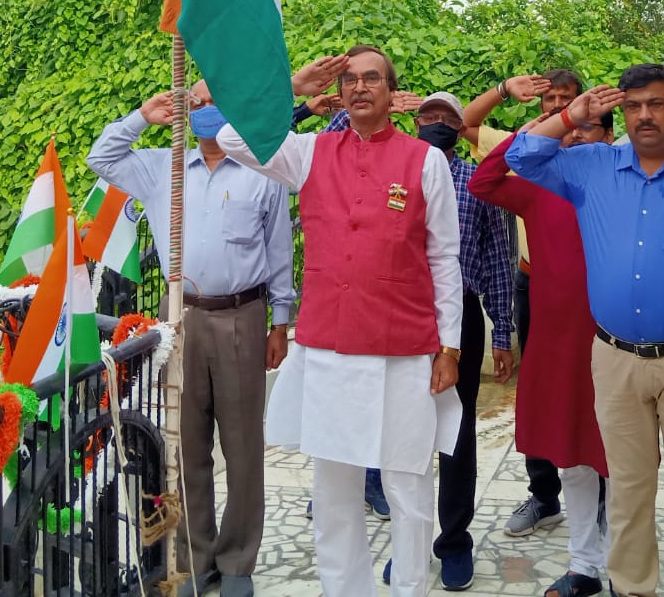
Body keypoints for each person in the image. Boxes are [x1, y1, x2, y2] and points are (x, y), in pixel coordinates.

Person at [214, 45, 463, 597]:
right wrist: (293, 93)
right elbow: (231, 138)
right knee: (334, 492)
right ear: (341, 92)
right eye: (349, 79)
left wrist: (450, 347)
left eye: (372, 78)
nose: (359, 87)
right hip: (329, 349)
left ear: (392, 93)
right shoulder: (308, 152)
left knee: (408, 486)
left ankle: (410, 590)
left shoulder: (426, 161)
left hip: (403, 348)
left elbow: (445, 257)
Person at [507, 63, 664, 597]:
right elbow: (521, 156)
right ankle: (632, 587)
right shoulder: (590, 166)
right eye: (633, 106)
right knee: (627, 487)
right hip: (615, 357)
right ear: (620, 112)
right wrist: (571, 115)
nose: (645, 116)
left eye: (656, 104)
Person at [86, 92, 294, 597]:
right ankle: (196, 558)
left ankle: (238, 561)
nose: (205, 109)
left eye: (215, 99)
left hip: (242, 314)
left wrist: (281, 321)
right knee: (185, 443)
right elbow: (101, 157)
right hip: (179, 319)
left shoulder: (261, 169)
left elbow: (278, 248)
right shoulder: (164, 167)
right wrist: (143, 117)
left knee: (242, 445)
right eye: (196, 100)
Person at [471, 112, 613, 597]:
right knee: (572, 457)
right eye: (566, 129)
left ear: (609, 136)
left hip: (616, 340)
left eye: (586, 128)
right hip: (558, 343)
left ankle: (624, 564)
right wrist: (532, 131)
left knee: (620, 456)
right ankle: (584, 565)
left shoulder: (622, 184)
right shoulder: (539, 187)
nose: (573, 135)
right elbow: (484, 181)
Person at [461, 69, 576, 537]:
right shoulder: (522, 147)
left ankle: (602, 497)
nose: (557, 107)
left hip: (591, 292)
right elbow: (464, 123)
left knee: (595, 389)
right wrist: (503, 90)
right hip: (534, 284)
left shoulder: (596, 154)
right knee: (537, 390)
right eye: (550, 99)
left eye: (567, 99)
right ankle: (544, 496)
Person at [411, 90, 516, 591]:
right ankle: (411, 544)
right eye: (427, 115)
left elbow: (497, 257)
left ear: (459, 127)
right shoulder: (398, 173)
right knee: (404, 431)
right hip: (404, 316)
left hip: (461, 320)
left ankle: (454, 541)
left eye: (446, 117)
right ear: (414, 123)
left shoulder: (476, 182)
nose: (436, 122)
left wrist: (503, 330)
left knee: (456, 429)